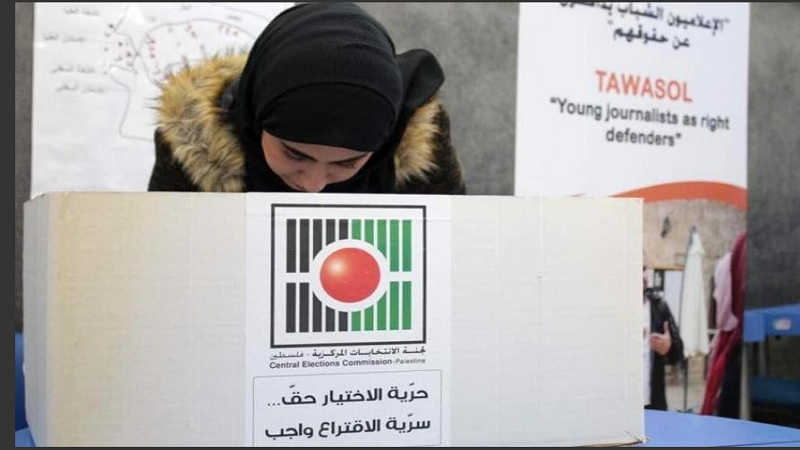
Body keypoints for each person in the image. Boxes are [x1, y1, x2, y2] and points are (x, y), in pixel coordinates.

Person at [148, 3, 465, 195]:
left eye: (347, 163)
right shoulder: (192, 146)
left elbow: (449, 253)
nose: (313, 186)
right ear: (258, 115)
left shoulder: (418, 143)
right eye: (295, 154)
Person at [643, 278, 685, 411]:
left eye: (644, 269)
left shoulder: (659, 306)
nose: (642, 274)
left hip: (652, 404)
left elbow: (678, 353)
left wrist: (668, 348)